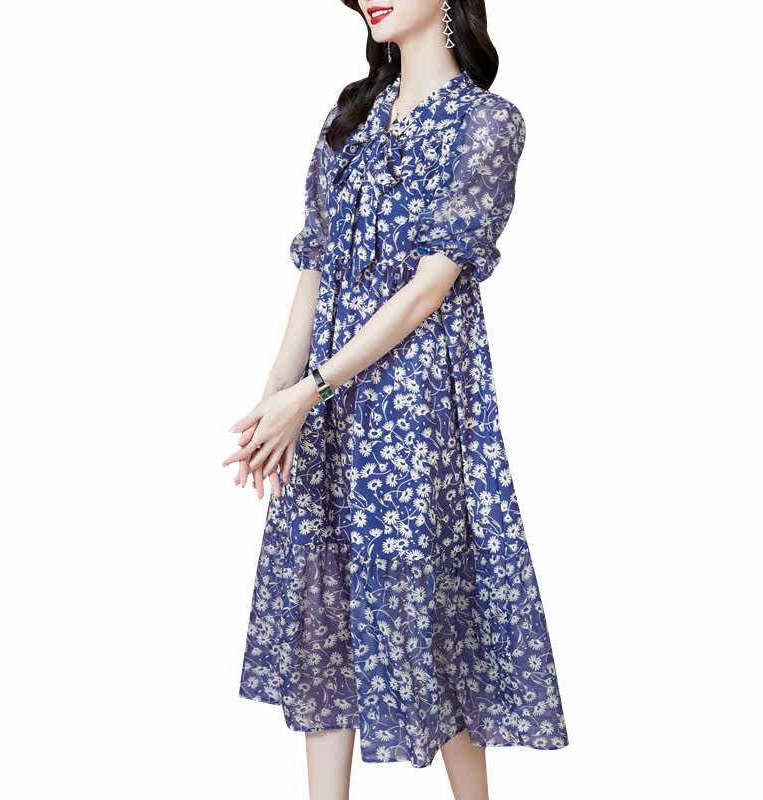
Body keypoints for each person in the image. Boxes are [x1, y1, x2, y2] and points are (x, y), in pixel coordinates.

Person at [222, 1, 568, 795]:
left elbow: (425, 293)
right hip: (325, 412)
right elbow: (315, 270)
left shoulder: (487, 125)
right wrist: (275, 399)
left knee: (428, 614)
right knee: (326, 619)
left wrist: (309, 390)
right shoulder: (348, 120)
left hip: (418, 408)